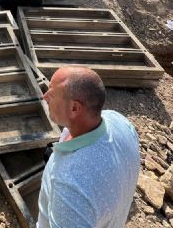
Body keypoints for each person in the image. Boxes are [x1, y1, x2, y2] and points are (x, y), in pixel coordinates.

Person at [38, 66, 140, 227]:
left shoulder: (70, 183)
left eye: (52, 93)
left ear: (74, 108)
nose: (45, 97)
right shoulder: (120, 121)